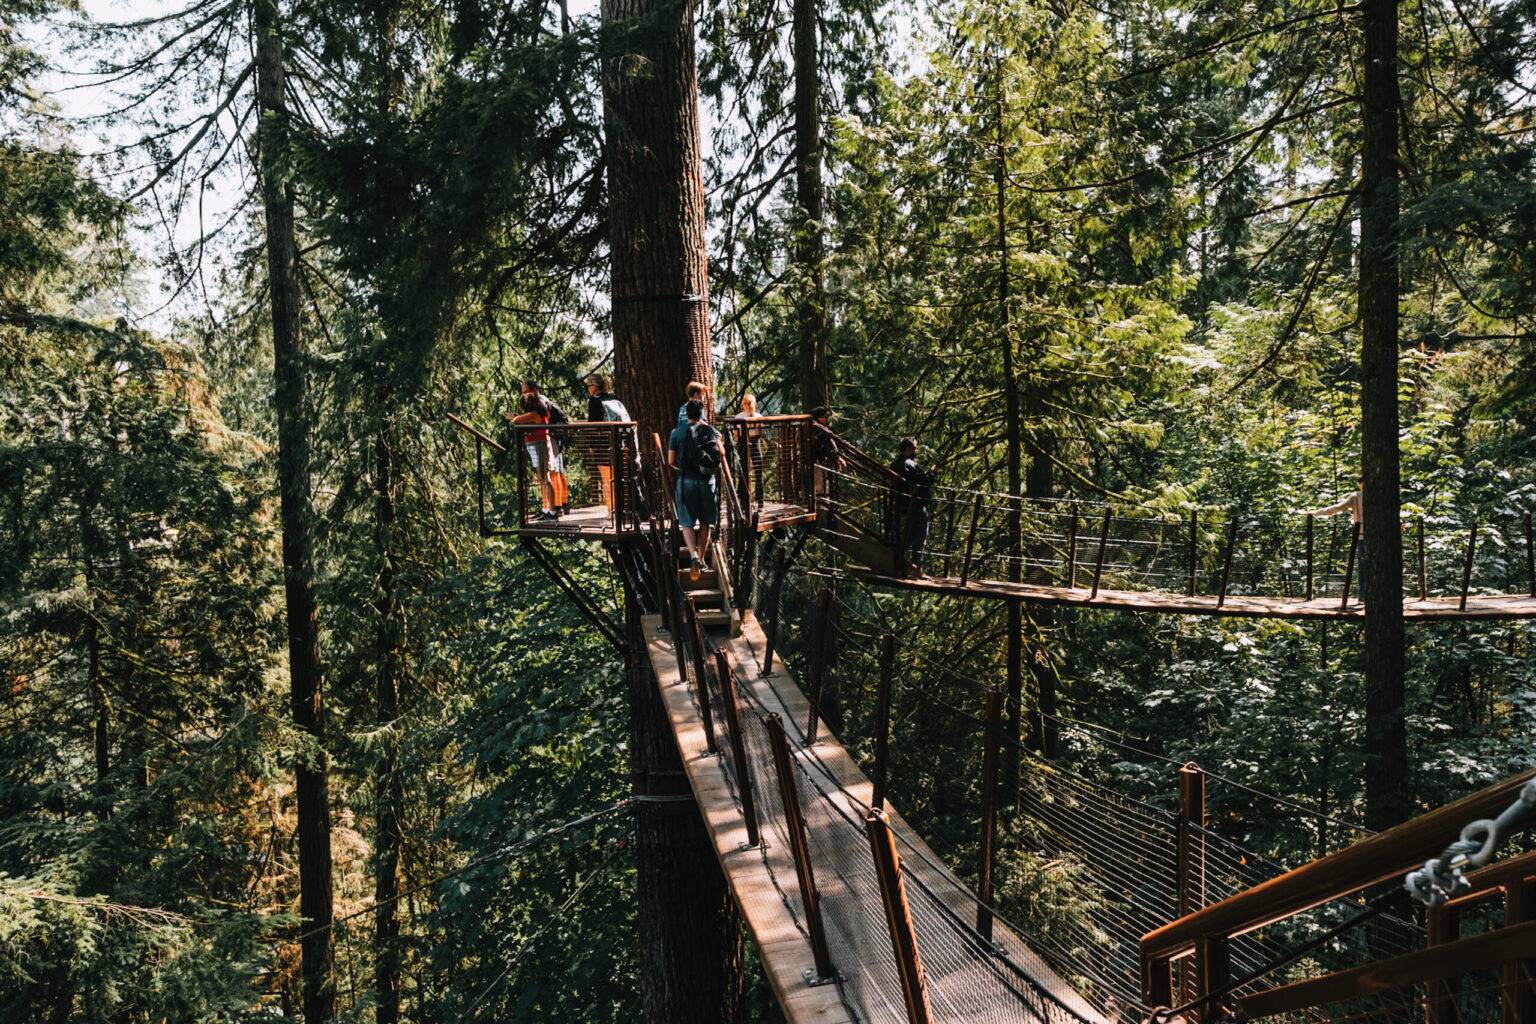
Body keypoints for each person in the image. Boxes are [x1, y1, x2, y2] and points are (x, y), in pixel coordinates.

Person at [668, 399, 724, 580]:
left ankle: (693, 556)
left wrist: (682, 469)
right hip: (707, 481)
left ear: (686, 413)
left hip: (686, 482)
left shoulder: (676, 433)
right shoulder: (710, 430)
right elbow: (721, 453)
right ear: (701, 413)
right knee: (706, 522)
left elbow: (670, 461)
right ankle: (701, 558)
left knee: (686, 523)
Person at [584, 373, 632, 513]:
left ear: (594, 387)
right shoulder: (614, 398)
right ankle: (622, 508)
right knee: (617, 477)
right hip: (618, 443)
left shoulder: (594, 401)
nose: (588, 389)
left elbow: (592, 425)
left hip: (602, 444)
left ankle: (612, 510)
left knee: (606, 480)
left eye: (588, 386)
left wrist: (591, 446)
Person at [507, 393, 558, 521]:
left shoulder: (536, 414)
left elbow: (517, 420)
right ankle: (546, 509)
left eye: (526, 401)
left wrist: (514, 417)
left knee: (545, 477)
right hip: (534, 445)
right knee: (542, 477)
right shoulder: (534, 414)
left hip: (539, 445)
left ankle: (552, 512)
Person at [522, 381, 570, 514]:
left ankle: (555, 507)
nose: (524, 394)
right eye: (523, 391)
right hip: (550, 438)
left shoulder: (540, 402)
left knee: (551, 473)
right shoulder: (541, 401)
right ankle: (554, 506)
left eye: (526, 391)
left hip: (548, 438)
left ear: (536, 390)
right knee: (553, 472)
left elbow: (542, 419)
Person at [890, 437, 934, 575]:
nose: (916, 451)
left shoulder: (895, 464)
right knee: (920, 536)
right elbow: (924, 481)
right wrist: (932, 473)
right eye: (914, 448)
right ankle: (916, 569)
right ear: (908, 449)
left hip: (902, 505)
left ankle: (898, 564)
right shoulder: (910, 464)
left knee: (907, 535)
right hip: (916, 505)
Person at [809, 405, 845, 503]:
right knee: (821, 488)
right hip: (819, 462)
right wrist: (837, 457)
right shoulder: (820, 430)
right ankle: (822, 510)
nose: (826, 419)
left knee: (818, 487)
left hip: (816, 461)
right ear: (820, 417)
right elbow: (830, 445)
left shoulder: (812, 428)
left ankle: (820, 506)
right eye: (825, 416)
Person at [734, 393, 765, 505]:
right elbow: (760, 433)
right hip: (753, 443)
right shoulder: (759, 417)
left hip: (744, 444)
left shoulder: (738, 417)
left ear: (743, 404)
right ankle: (759, 500)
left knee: (744, 471)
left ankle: (742, 497)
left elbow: (736, 435)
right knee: (757, 471)